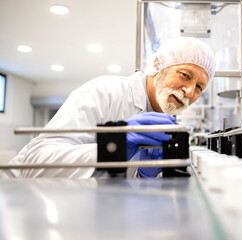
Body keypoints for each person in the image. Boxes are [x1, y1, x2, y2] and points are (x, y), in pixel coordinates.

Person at [2, 37, 215, 178]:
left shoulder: (164, 121)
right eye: (185, 75)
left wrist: (144, 174)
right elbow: (35, 164)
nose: (189, 91)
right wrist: (113, 147)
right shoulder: (104, 92)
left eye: (199, 87)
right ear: (158, 66)